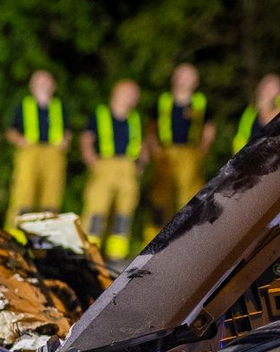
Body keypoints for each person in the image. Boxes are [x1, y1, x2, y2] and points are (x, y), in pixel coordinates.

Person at [79, 79, 145, 265]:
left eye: (134, 94)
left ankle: (117, 253)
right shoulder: (100, 114)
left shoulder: (134, 118)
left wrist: (140, 164)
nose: (132, 98)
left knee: (125, 210)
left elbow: (140, 143)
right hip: (105, 164)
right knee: (96, 208)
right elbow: (86, 139)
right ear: (116, 93)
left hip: (128, 167)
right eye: (129, 93)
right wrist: (91, 160)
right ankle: (89, 250)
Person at [146, 62, 215, 238]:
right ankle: (154, 237)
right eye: (182, 75)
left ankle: (190, 237)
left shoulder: (201, 102)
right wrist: (154, 147)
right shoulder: (163, 100)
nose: (185, 80)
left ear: (196, 81)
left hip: (190, 152)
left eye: (190, 76)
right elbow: (151, 126)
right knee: (160, 196)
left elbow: (209, 126)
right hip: (165, 153)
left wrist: (203, 147)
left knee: (191, 194)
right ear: (174, 78)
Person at [4, 69, 70, 231]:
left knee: (51, 197)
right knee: (23, 194)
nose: (44, 86)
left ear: (53, 86)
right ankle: (16, 234)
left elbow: (67, 130)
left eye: (47, 82)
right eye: (40, 82)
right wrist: (20, 140)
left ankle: (46, 237)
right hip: (29, 152)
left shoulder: (58, 106)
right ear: (32, 86)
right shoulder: (25, 105)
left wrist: (66, 141)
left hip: (53, 154)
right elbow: (11, 130)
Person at [233, 74, 280, 153]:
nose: (269, 91)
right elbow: (240, 138)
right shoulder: (250, 113)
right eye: (267, 86)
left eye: (274, 87)